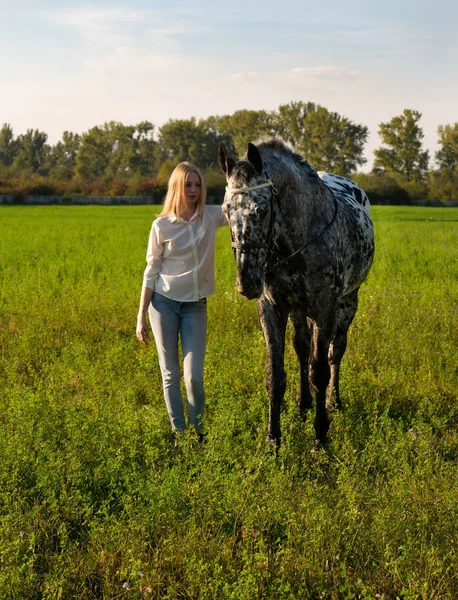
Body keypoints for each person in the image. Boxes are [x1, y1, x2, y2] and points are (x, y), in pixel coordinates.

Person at [136, 162, 228, 438]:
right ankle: (179, 434)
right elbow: (150, 272)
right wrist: (141, 316)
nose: (194, 190)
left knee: (194, 376)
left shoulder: (211, 216)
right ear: (177, 186)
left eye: (198, 184)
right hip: (162, 304)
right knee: (170, 375)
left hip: (195, 307)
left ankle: (198, 432)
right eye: (188, 184)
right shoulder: (161, 225)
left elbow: (237, 203)